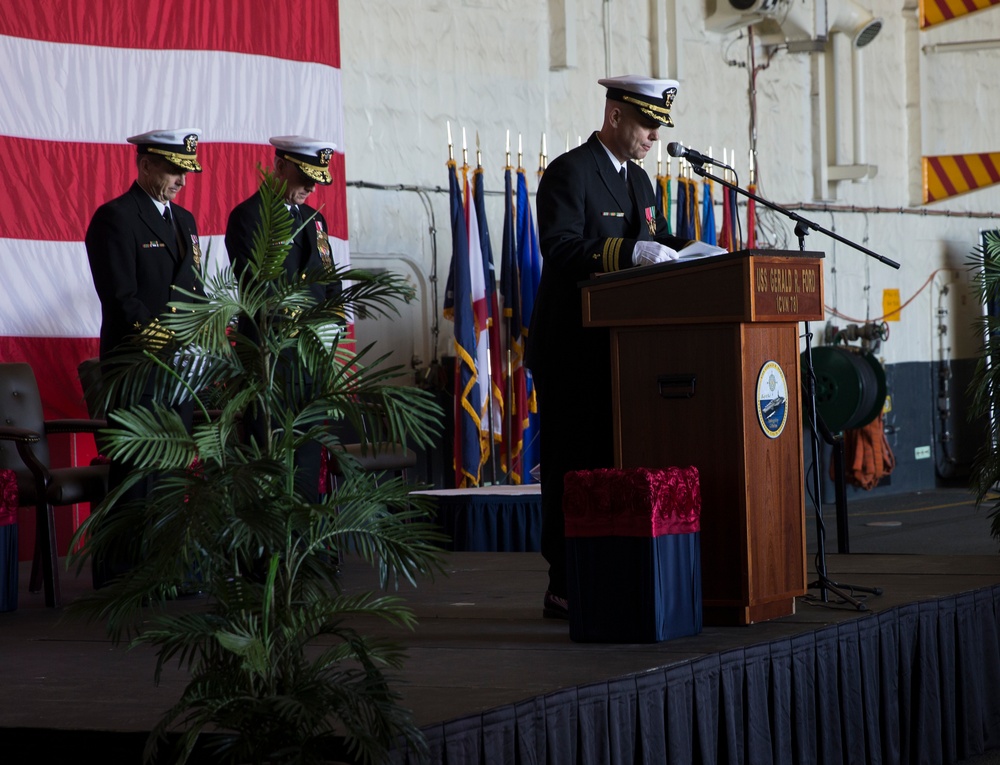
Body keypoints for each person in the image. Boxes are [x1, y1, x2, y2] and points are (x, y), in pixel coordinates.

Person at [525, 76, 692, 620]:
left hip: (623, 354)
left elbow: (659, 240)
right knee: (573, 466)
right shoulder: (570, 172)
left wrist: (697, 256)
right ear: (616, 116)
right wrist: (630, 254)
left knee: (614, 464)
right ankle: (563, 582)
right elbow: (561, 249)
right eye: (646, 123)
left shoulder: (642, 182)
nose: (653, 135)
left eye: (659, 126)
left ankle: (608, 570)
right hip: (572, 351)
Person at [85, 127, 205, 587]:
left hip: (179, 367)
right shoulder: (116, 217)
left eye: (186, 171)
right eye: (173, 170)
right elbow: (120, 297)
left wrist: (196, 338)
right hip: (137, 365)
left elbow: (192, 290)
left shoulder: (186, 222)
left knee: (174, 469)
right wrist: (168, 342)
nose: (181, 180)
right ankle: (124, 577)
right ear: (146, 164)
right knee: (136, 471)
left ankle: (167, 569)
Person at [225, 136, 341, 504]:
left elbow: (331, 284)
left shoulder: (315, 220)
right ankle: (268, 557)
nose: (311, 186)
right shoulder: (249, 216)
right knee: (271, 459)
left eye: (316, 178)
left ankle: (302, 551)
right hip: (271, 359)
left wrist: (331, 324)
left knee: (306, 458)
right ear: (278, 167)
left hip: (310, 358)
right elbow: (256, 286)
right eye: (304, 175)